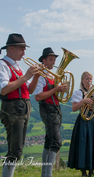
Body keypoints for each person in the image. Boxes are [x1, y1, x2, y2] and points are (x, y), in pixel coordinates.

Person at [0, 33, 40, 177]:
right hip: (12, 109)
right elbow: (4, 88)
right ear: (10, 48)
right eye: (21, 49)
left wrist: (36, 76)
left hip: (22, 109)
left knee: (17, 149)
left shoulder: (17, 67)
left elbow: (29, 90)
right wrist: (26, 77)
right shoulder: (0, 65)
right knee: (15, 151)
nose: (24, 53)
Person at [34, 47, 69, 177]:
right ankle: (48, 174)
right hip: (47, 108)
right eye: (51, 59)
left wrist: (61, 89)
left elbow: (54, 93)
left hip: (55, 108)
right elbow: (38, 96)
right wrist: (56, 89)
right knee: (56, 142)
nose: (54, 62)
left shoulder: (51, 75)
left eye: (54, 60)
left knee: (49, 141)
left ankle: (45, 174)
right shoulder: (41, 76)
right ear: (44, 60)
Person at [67, 71, 94, 177]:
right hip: (83, 120)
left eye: (90, 79)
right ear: (82, 80)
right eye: (87, 79)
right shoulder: (78, 92)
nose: (89, 81)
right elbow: (74, 108)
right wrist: (83, 101)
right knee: (83, 144)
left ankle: (92, 171)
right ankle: (84, 172)